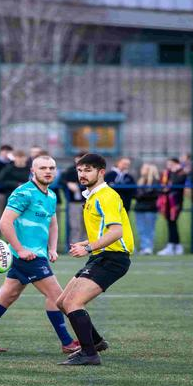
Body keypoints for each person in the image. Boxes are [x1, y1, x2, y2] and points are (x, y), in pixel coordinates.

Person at [0, 155, 79, 354]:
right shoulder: (23, 193)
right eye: (43, 168)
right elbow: (4, 223)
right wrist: (19, 249)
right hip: (26, 256)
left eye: (52, 168)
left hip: (36, 255)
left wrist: (52, 248)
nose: (48, 171)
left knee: (8, 295)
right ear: (32, 171)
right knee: (57, 296)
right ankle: (67, 342)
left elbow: (53, 223)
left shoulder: (51, 195)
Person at [57, 153, 134, 366]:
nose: (82, 174)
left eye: (88, 170)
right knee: (62, 302)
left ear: (101, 172)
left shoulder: (106, 196)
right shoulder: (92, 195)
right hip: (101, 256)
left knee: (73, 302)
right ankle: (96, 342)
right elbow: (103, 232)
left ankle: (89, 354)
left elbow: (116, 232)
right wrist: (85, 243)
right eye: (80, 170)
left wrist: (89, 248)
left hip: (113, 258)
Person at [156, 157, 186, 255]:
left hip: (175, 203)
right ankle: (175, 245)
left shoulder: (181, 173)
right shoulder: (166, 174)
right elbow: (160, 186)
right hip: (166, 203)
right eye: (168, 164)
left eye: (172, 164)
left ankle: (173, 245)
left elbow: (176, 183)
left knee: (172, 223)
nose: (169, 166)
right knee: (171, 223)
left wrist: (174, 172)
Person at [60, 154, 87, 247]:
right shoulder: (70, 170)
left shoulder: (91, 170)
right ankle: (75, 246)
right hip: (74, 202)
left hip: (88, 202)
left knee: (87, 226)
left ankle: (87, 247)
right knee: (75, 225)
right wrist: (68, 183)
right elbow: (61, 180)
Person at [134, 163, 160, 255]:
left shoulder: (155, 181)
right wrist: (140, 195)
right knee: (141, 229)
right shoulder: (140, 181)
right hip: (139, 208)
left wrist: (142, 195)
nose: (142, 170)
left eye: (144, 168)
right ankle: (144, 247)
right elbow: (135, 194)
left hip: (150, 209)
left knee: (149, 229)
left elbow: (153, 194)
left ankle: (149, 247)